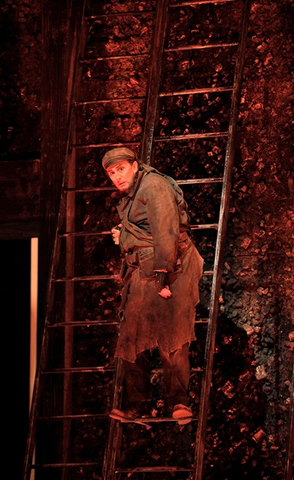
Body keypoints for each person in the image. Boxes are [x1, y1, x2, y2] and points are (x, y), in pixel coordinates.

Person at [102, 147, 204, 425]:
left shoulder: (154, 185)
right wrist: (124, 235)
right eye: (111, 173)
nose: (116, 176)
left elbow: (166, 230)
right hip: (142, 271)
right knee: (132, 338)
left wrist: (163, 277)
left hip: (170, 269)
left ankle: (179, 401)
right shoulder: (132, 195)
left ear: (135, 166)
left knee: (172, 334)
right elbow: (143, 229)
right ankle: (137, 404)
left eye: (120, 169)